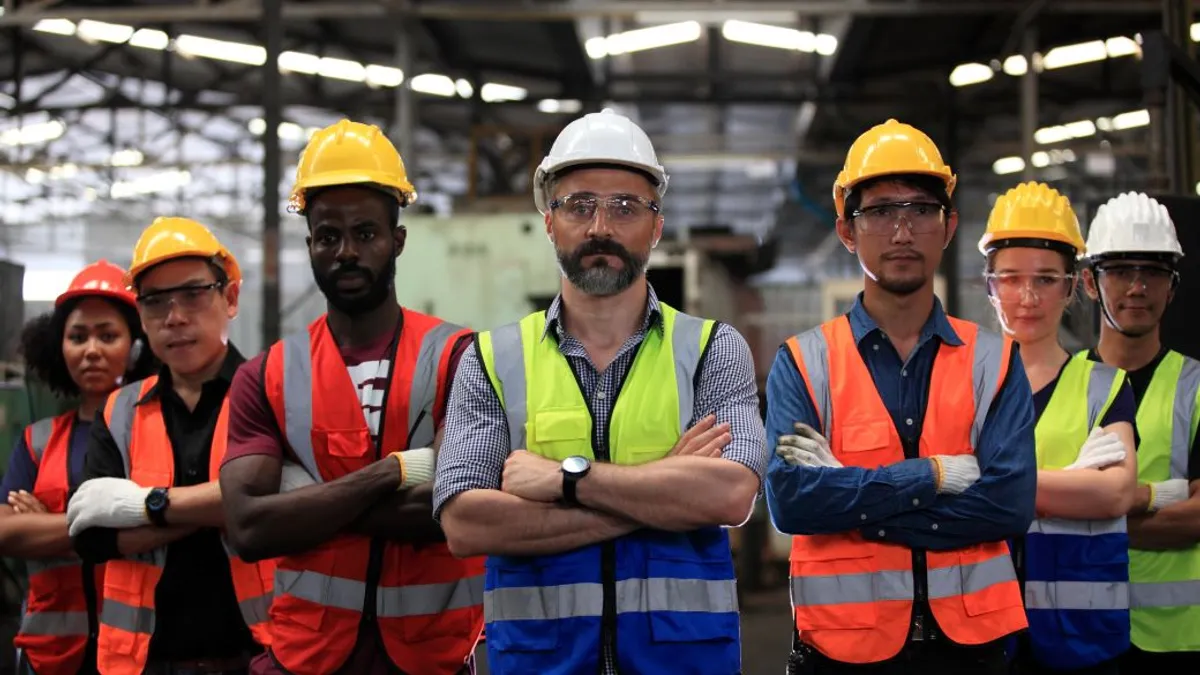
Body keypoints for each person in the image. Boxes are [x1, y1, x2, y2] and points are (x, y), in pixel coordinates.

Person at [434, 107, 767, 675]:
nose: (600, 228)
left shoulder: (712, 349)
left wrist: (568, 480)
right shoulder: (492, 360)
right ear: (548, 221)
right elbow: (466, 523)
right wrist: (663, 488)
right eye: (579, 205)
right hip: (544, 662)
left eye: (625, 208)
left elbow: (732, 496)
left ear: (656, 226)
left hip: (683, 660)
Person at [765, 119, 1037, 674]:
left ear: (949, 225)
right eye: (881, 212)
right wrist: (930, 478)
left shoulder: (997, 361)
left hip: (972, 652)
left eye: (920, 210)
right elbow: (792, 502)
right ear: (847, 230)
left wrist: (853, 505)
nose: (902, 231)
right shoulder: (803, 362)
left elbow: (1008, 505)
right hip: (843, 652)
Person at [218, 119, 484, 675]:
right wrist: (390, 473)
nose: (346, 252)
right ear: (310, 242)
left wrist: (306, 501)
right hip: (307, 657)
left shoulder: (460, 359)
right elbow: (247, 530)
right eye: (328, 235)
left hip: (435, 656)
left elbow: (459, 513)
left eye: (365, 233)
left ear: (398, 241)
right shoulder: (266, 375)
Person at [65, 218, 273, 675]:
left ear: (230, 297)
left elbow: (276, 508)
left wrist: (145, 506)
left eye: (194, 295)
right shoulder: (118, 413)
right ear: (141, 316)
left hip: (260, 655)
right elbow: (93, 537)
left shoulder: (272, 394)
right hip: (144, 662)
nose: (175, 317)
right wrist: (220, 506)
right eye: (156, 302)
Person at [978, 182, 1137, 674]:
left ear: (1071, 287)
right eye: (1010, 278)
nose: (1027, 297)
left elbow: (1114, 495)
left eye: (1046, 279)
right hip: (984, 629)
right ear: (989, 285)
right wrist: (1071, 480)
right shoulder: (960, 385)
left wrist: (987, 482)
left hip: (1083, 638)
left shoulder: (1104, 387)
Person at [0, 261, 156, 675]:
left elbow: (164, 529)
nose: (91, 350)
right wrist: (113, 526)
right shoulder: (37, 441)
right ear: (59, 348)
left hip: (138, 652)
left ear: (137, 347)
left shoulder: (158, 435)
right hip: (47, 654)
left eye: (108, 336)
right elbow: (4, 533)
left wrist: (45, 526)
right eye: (77, 336)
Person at [1080, 191, 1200, 669]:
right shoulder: (1059, 386)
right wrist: (1157, 495)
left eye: (1152, 271)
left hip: (1177, 639)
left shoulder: (1196, 387)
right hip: (1079, 633)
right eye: (1120, 271)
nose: (1136, 287)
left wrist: (1093, 518)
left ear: (1171, 287)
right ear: (1090, 283)